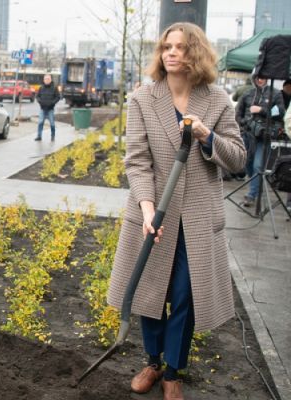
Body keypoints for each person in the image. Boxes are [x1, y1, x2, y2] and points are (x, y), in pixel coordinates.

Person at [106, 23, 246, 400]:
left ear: (195, 53)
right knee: (151, 291)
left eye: (181, 48)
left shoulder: (217, 101)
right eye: (167, 47)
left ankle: (173, 371)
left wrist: (206, 136)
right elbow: (137, 162)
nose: (171, 53)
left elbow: (237, 159)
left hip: (198, 219)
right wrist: (148, 210)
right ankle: (152, 361)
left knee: (184, 295)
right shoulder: (143, 99)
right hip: (155, 213)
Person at [235, 74, 286, 207]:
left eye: (262, 77)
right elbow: (237, 113)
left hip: (264, 136)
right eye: (257, 77)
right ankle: (256, 186)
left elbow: (280, 112)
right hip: (247, 134)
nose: (260, 79)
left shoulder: (275, 94)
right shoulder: (247, 94)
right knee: (246, 164)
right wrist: (244, 123)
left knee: (258, 166)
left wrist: (262, 110)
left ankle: (251, 194)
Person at [35, 74, 60, 141]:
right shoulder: (41, 87)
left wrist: (52, 103)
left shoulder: (54, 88)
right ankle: (39, 136)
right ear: (43, 80)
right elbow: (37, 96)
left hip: (50, 109)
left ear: (51, 80)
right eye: (45, 79)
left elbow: (58, 97)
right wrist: (40, 102)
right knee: (40, 122)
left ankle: (52, 136)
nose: (47, 80)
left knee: (52, 123)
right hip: (42, 108)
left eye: (48, 79)